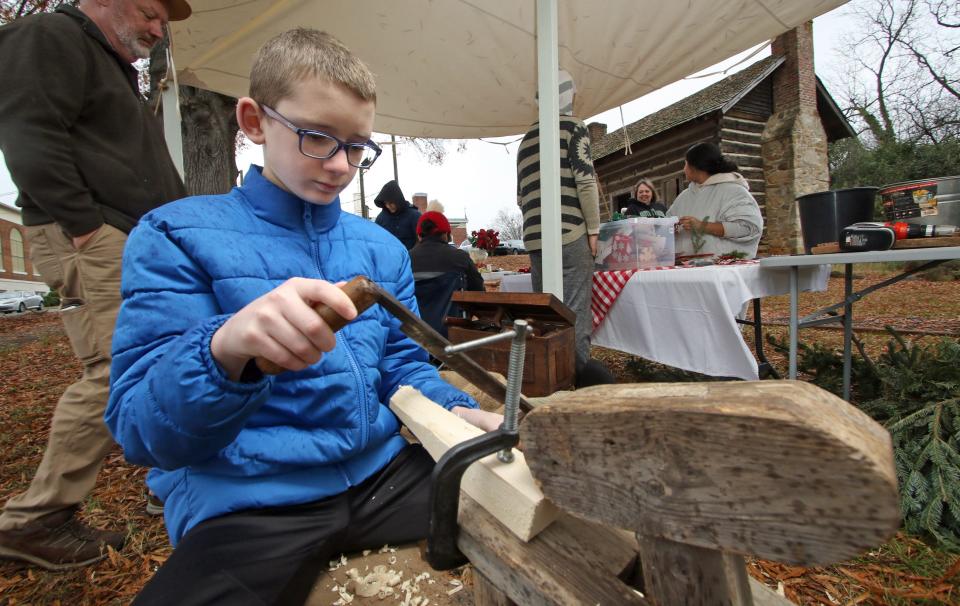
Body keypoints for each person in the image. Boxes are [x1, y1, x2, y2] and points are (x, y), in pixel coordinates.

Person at [104, 29, 502, 604]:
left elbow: (402, 366)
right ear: (253, 121)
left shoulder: (381, 250)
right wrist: (225, 351)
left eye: (358, 146)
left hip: (382, 478)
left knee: (559, 527)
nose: (341, 165)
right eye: (318, 137)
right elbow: (144, 431)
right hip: (250, 499)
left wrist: (458, 412)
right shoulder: (175, 236)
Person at [0, 0, 190, 569]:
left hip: (129, 235)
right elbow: (28, 132)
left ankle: (174, 475)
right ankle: (34, 520)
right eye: (150, 13)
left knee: (159, 356)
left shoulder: (111, 67)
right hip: (94, 235)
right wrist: (84, 228)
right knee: (114, 370)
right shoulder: (49, 36)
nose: (158, 31)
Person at [517, 69, 601, 368]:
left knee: (549, 316)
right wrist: (593, 230)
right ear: (568, 94)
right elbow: (586, 182)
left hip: (536, 238)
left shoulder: (525, 140)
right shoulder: (574, 128)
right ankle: (578, 384)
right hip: (570, 233)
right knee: (575, 313)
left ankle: (553, 379)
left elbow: (521, 197)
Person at [668, 142, 763, 258]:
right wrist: (670, 228)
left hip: (723, 271)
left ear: (696, 167)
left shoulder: (734, 191)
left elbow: (749, 228)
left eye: (686, 164)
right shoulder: (683, 197)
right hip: (688, 270)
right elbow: (667, 223)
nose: (684, 169)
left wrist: (702, 226)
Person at [410, 211, 485, 292]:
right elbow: (478, 291)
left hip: (412, 305)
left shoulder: (405, 259)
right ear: (447, 234)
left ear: (419, 236)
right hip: (454, 304)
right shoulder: (460, 257)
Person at [374, 179, 421, 249]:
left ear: (397, 200)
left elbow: (422, 240)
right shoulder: (381, 219)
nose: (388, 206)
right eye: (386, 203)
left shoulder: (414, 216)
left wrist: (413, 255)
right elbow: (376, 242)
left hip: (411, 257)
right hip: (389, 258)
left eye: (391, 203)